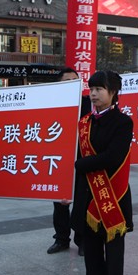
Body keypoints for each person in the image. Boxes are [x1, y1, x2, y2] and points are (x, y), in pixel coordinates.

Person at [71, 71, 132, 275]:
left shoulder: (123, 122)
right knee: (92, 257)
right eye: (92, 89)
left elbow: (113, 157)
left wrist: (80, 165)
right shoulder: (83, 123)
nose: (94, 94)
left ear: (113, 92)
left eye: (99, 89)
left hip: (113, 198)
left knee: (114, 257)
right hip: (87, 198)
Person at [47, 67, 92, 255]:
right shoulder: (50, 104)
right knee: (60, 203)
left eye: (76, 81)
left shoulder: (89, 104)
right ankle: (61, 239)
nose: (74, 84)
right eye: (68, 81)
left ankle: (82, 240)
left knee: (82, 201)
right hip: (59, 160)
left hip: (82, 160)